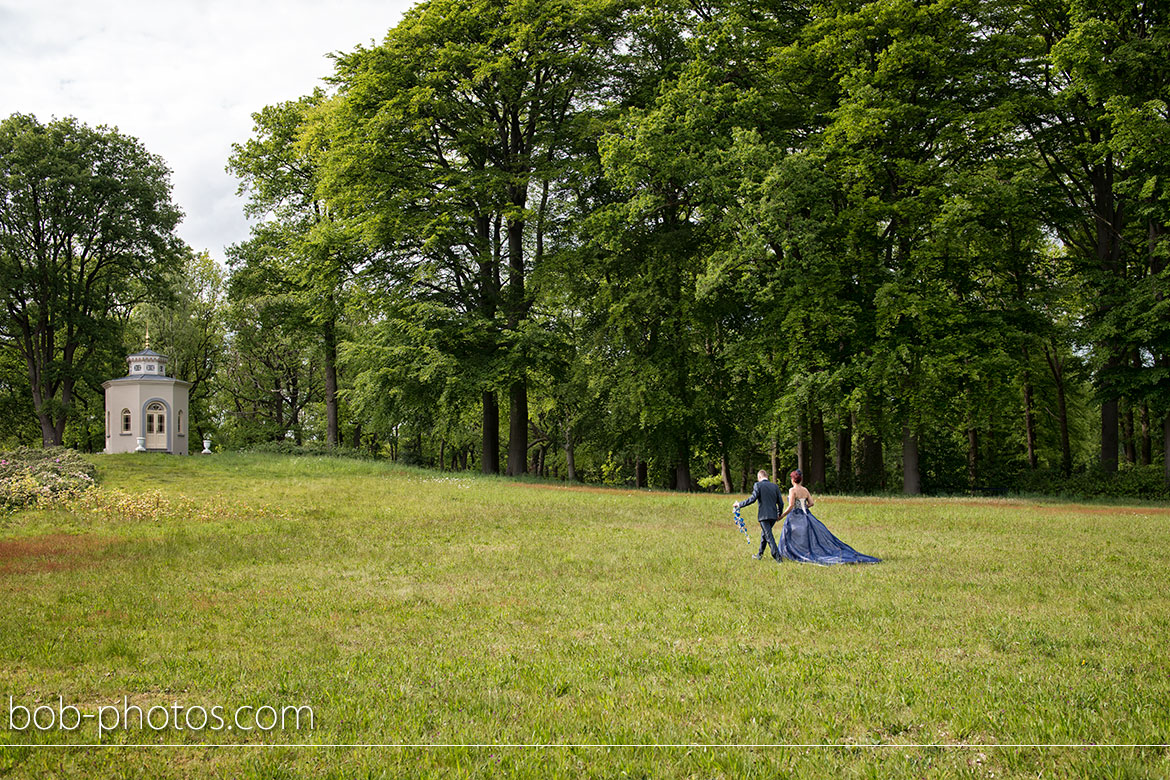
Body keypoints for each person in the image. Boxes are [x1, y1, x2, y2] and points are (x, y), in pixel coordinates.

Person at [776, 469, 880, 565]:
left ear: (793, 480)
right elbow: (811, 503)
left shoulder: (792, 490)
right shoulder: (805, 490)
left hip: (795, 516)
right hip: (807, 515)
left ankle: (791, 553)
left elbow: (790, 505)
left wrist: (782, 516)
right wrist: (803, 506)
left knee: (790, 533)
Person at [733, 469, 783, 563]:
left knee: (768, 536)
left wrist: (739, 504)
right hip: (773, 515)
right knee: (765, 534)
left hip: (764, 516)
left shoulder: (758, 485)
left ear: (759, 477)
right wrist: (779, 514)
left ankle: (778, 557)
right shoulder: (775, 486)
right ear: (767, 476)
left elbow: (752, 499)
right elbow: (781, 502)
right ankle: (759, 555)